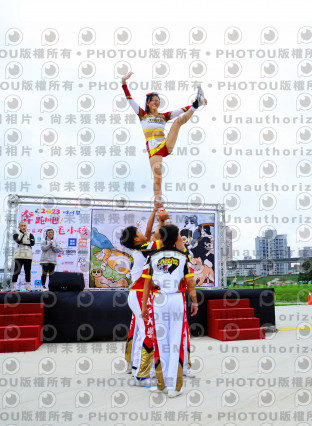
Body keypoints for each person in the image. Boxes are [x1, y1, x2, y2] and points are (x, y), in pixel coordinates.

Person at [121, 72, 207, 205]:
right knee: (158, 178)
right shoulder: (142, 115)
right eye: (153, 100)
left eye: (157, 100)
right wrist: (124, 83)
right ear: (148, 103)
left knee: (177, 122)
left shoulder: (164, 116)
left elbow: (182, 110)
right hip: (154, 149)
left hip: (165, 144)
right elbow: (130, 99)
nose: (156, 102)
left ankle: (196, 104)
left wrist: (196, 105)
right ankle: (158, 202)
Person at [141, 224, 198, 398]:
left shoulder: (152, 257)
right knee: (175, 342)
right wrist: (195, 302)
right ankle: (174, 386)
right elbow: (190, 283)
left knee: (160, 341)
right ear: (176, 239)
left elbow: (146, 284)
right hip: (176, 299)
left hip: (159, 299)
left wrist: (144, 306)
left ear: (160, 238)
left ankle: (162, 383)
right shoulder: (184, 257)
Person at [120, 204, 161, 382]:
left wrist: (154, 211)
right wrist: (163, 220)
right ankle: (142, 375)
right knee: (147, 332)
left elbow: (149, 230)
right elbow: (161, 237)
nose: (145, 232)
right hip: (139, 294)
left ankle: (137, 366)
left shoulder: (140, 247)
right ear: (137, 239)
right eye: (139, 232)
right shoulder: (144, 248)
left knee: (141, 331)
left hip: (137, 294)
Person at [11, 221, 35, 291]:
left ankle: (28, 287)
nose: (23, 227)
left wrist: (24, 242)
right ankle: (13, 286)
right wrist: (23, 235)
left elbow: (32, 243)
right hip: (19, 255)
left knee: (27, 271)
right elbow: (18, 241)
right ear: (19, 227)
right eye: (21, 225)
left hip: (28, 255)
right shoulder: (16, 234)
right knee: (17, 271)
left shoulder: (30, 234)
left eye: (24, 225)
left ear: (26, 226)